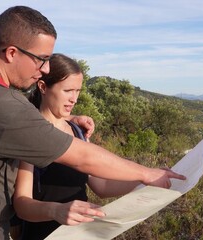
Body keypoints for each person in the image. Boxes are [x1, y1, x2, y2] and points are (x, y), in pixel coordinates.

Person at [0, 6, 185, 240]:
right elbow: (82, 156)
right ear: (12, 53)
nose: (46, 68)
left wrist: (68, 118)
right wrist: (146, 173)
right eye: (41, 58)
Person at [12, 53, 143, 239]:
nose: (74, 99)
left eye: (78, 91)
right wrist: (56, 210)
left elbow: (102, 186)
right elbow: (22, 204)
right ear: (43, 87)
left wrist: (143, 180)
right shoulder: (31, 134)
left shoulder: (77, 131)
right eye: (68, 91)